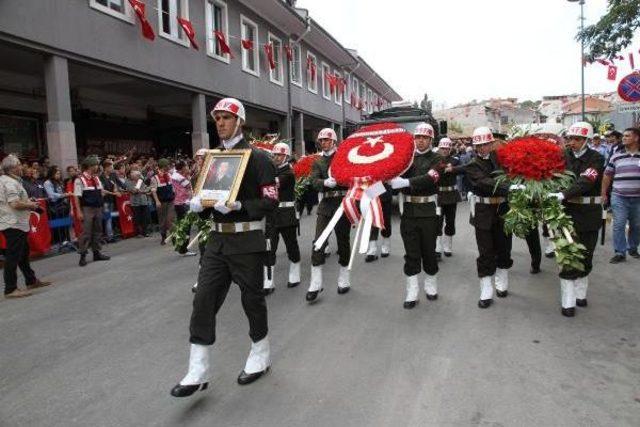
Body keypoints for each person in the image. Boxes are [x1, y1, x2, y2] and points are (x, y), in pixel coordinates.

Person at [170, 98, 278, 398]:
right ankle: (198, 369)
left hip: (246, 239)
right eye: (217, 118)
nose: (220, 123)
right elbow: (208, 201)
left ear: (239, 121)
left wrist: (240, 205)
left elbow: (270, 201)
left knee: (252, 300)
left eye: (227, 118)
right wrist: (199, 205)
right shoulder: (214, 160)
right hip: (217, 241)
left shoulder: (259, 159)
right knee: (203, 299)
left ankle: (260, 354)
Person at [548, 122, 604, 317]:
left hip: (589, 213)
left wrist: (564, 194)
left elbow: (587, 181)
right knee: (567, 257)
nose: (572, 142)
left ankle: (581, 293)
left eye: (577, 139)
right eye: (570, 138)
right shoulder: (563, 157)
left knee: (586, 255)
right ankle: (568, 301)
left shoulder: (597, 158)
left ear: (586, 140)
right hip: (566, 213)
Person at [389, 123, 442, 308]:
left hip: (428, 211)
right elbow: (394, 178)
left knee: (428, 251)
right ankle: (412, 291)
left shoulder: (437, 158)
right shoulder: (406, 158)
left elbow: (431, 178)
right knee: (411, 253)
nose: (420, 140)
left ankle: (430, 284)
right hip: (409, 211)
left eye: (424, 138)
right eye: (418, 137)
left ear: (430, 140)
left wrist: (405, 181)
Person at [463, 127, 514, 309]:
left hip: (503, 208)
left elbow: (513, 173)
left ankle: (502, 280)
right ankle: (486, 289)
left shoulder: (501, 161)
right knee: (485, 252)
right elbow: (485, 183)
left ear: (492, 143)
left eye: (486, 144)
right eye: (479, 145)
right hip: (483, 210)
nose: (483, 148)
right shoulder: (472, 165)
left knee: (504, 247)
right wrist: (510, 188)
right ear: (475, 147)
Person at [305, 128, 352, 302]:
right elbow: (313, 181)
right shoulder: (317, 161)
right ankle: (316, 283)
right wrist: (325, 182)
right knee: (318, 241)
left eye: (327, 140)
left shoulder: (344, 157)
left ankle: (344, 278)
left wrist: (340, 182)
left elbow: (351, 177)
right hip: (325, 204)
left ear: (333, 141)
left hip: (341, 203)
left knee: (343, 241)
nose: (324, 143)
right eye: (321, 140)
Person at [0, 154, 52, 298]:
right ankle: (10, 289)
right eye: (18, 164)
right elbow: (15, 203)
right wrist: (31, 204)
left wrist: (28, 201)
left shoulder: (10, 180)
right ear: (12, 168)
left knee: (22, 254)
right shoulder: (10, 182)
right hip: (13, 223)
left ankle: (31, 280)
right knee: (13, 256)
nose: (21, 167)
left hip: (17, 223)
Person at [263, 142, 301, 294]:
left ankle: (295, 273)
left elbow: (273, 184)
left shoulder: (289, 173)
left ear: (286, 156)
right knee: (269, 247)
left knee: (291, 244)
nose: (276, 157)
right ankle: (268, 280)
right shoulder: (273, 170)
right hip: (272, 215)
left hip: (286, 214)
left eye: (279, 155)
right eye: (275, 155)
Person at [601, 127, 640, 263]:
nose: (623, 138)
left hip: (638, 199)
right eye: (623, 136)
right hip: (619, 196)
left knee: (636, 225)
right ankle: (620, 252)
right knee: (619, 224)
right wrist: (604, 194)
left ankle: (633, 247)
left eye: (627, 136)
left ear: (636, 138)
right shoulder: (616, 155)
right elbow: (607, 175)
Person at [73, 156, 112, 267]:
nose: (97, 167)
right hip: (87, 208)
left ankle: (96, 253)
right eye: (95, 165)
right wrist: (79, 212)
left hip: (98, 207)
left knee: (97, 231)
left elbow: (100, 191)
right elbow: (76, 196)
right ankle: (83, 255)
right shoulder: (79, 179)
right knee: (86, 232)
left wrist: (107, 193)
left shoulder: (96, 178)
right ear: (90, 166)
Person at [435, 137, 461, 258]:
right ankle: (437, 248)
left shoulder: (455, 160)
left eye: (447, 148)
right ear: (439, 148)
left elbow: (459, 167)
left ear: (450, 149)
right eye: (442, 148)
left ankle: (448, 247)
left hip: (451, 196)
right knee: (438, 221)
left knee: (450, 221)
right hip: (439, 196)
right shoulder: (434, 159)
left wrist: (451, 167)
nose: (445, 150)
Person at [44, 166, 73, 248]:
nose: (59, 175)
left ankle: (66, 240)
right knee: (58, 226)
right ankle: (59, 242)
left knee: (65, 224)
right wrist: (63, 195)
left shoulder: (59, 182)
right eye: (57, 173)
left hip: (63, 206)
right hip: (55, 206)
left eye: (60, 173)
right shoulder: (48, 183)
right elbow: (51, 195)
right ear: (52, 174)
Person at [171, 160, 196, 256]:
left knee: (182, 225)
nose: (187, 167)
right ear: (182, 168)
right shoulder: (180, 177)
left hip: (179, 203)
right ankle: (183, 249)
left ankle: (180, 246)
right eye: (186, 166)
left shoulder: (175, 175)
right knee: (186, 226)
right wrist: (189, 175)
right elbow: (189, 186)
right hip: (183, 203)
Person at [364, 183, 393, 262]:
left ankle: (385, 246)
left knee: (385, 221)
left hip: (384, 189)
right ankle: (372, 250)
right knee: (372, 221)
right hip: (371, 191)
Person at [150, 158, 176, 245]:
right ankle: (163, 236)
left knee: (171, 219)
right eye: (167, 165)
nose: (169, 166)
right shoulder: (155, 178)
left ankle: (174, 237)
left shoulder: (169, 175)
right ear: (163, 166)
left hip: (171, 201)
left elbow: (173, 188)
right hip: (161, 202)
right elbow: (153, 191)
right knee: (162, 220)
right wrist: (157, 201)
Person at [126, 169, 151, 237]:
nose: (140, 177)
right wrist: (141, 189)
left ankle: (145, 232)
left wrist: (144, 190)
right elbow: (134, 191)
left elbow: (147, 188)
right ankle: (138, 233)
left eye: (139, 176)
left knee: (144, 217)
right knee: (137, 218)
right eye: (138, 176)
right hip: (135, 203)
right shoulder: (128, 182)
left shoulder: (140, 181)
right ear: (133, 176)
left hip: (143, 201)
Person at [99, 159, 120, 243]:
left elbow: (116, 185)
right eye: (111, 166)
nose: (112, 168)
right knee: (108, 218)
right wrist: (114, 193)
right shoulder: (101, 177)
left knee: (111, 218)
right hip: (105, 201)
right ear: (106, 168)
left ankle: (110, 234)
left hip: (112, 200)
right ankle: (109, 236)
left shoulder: (113, 175)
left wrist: (116, 190)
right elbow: (103, 190)